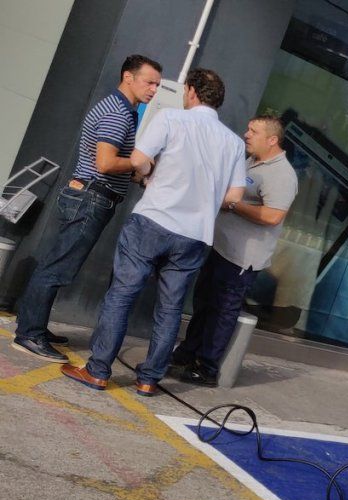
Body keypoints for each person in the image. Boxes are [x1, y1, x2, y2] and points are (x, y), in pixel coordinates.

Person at [61, 68, 246, 396]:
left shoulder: (171, 119)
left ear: (190, 92)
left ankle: (98, 370)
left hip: (154, 219)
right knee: (171, 308)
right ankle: (148, 379)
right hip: (195, 234)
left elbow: (139, 159)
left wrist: (149, 175)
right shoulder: (232, 143)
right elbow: (233, 197)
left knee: (122, 294)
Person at [10, 55, 162, 363]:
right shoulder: (118, 113)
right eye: (149, 82)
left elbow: (107, 161)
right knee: (57, 268)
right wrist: (139, 163)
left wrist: (137, 173)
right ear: (128, 77)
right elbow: (105, 163)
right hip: (92, 198)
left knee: (55, 262)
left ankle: (32, 324)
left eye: (158, 84)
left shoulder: (122, 110)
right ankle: (29, 334)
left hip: (87, 195)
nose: (154, 90)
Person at [170, 114, 298, 387]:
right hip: (220, 247)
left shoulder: (282, 174)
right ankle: (187, 353)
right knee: (204, 304)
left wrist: (231, 204)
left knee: (222, 311)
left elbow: (273, 215)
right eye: (248, 128)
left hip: (242, 258)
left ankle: (206, 367)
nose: (246, 134)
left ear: (272, 139)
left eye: (254, 131)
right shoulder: (251, 161)